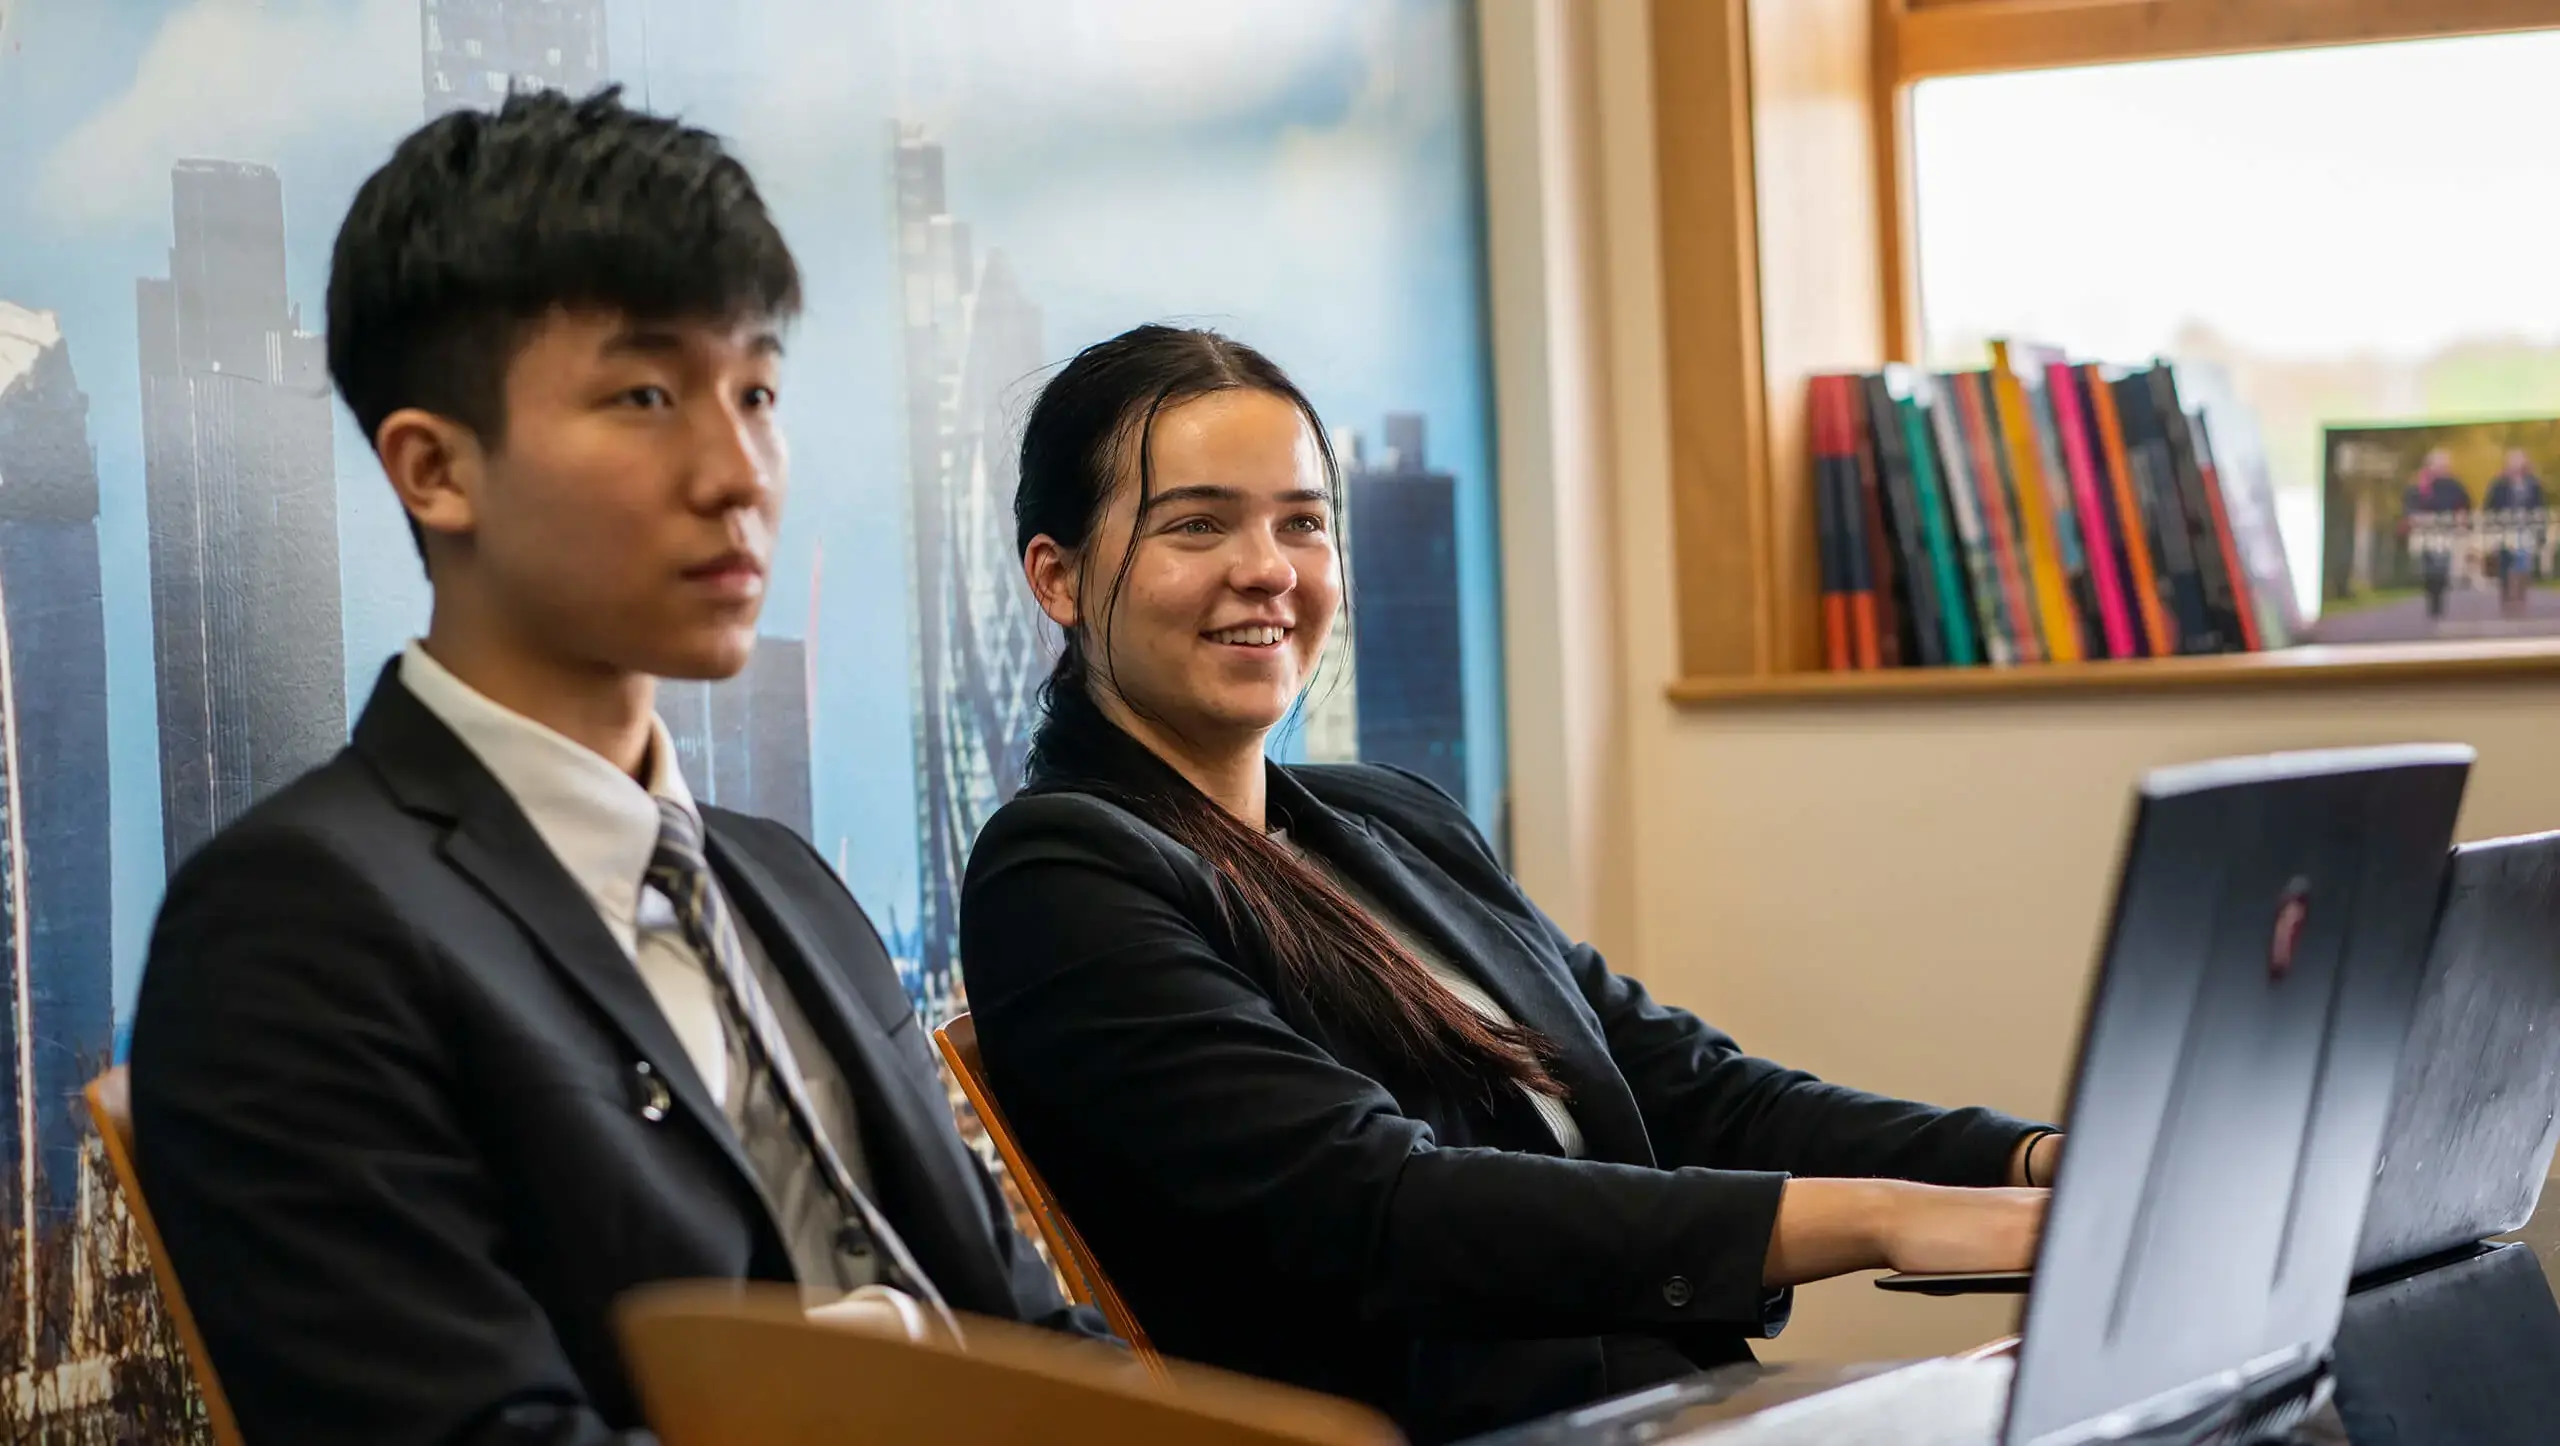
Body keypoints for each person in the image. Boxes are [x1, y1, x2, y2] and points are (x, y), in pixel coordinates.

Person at [128, 88, 1101, 1446]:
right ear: (436, 469)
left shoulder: (785, 881)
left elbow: (1030, 1340)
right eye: (645, 395)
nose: (740, 469)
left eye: (756, 389)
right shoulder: (296, 924)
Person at [959, 325, 2059, 1443]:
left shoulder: (1391, 821)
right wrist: (1880, 1221)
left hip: (1670, 1409)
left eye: (1301, 521)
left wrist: (2030, 1160)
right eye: (1197, 524)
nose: (1269, 568)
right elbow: (1383, 1208)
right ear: (1056, 576)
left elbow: (1689, 1091)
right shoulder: (1060, 874)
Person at [2401, 448, 2473, 620]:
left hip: (2445, 533)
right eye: (2438, 463)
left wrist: (2461, 520)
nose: (2442, 467)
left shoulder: (2454, 485)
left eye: (2445, 464)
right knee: (2429, 569)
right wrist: (2416, 518)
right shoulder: (2420, 484)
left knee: (2441, 568)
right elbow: (2410, 505)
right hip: (2425, 534)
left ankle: (2438, 603)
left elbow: (2464, 504)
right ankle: (2432, 600)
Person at [2483, 448, 2547, 615]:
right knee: (2505, 565)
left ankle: (2519, 599)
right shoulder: (2499, 484)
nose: (2515, 464)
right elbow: (2489, 507)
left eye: (2519, 460)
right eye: (2512, 461)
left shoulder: (2533, 484)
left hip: (2527, 529)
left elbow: (2540, 508)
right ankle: (2506, 599)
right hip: (2505, 529)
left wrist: (2541, 532)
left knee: (2523, 564)